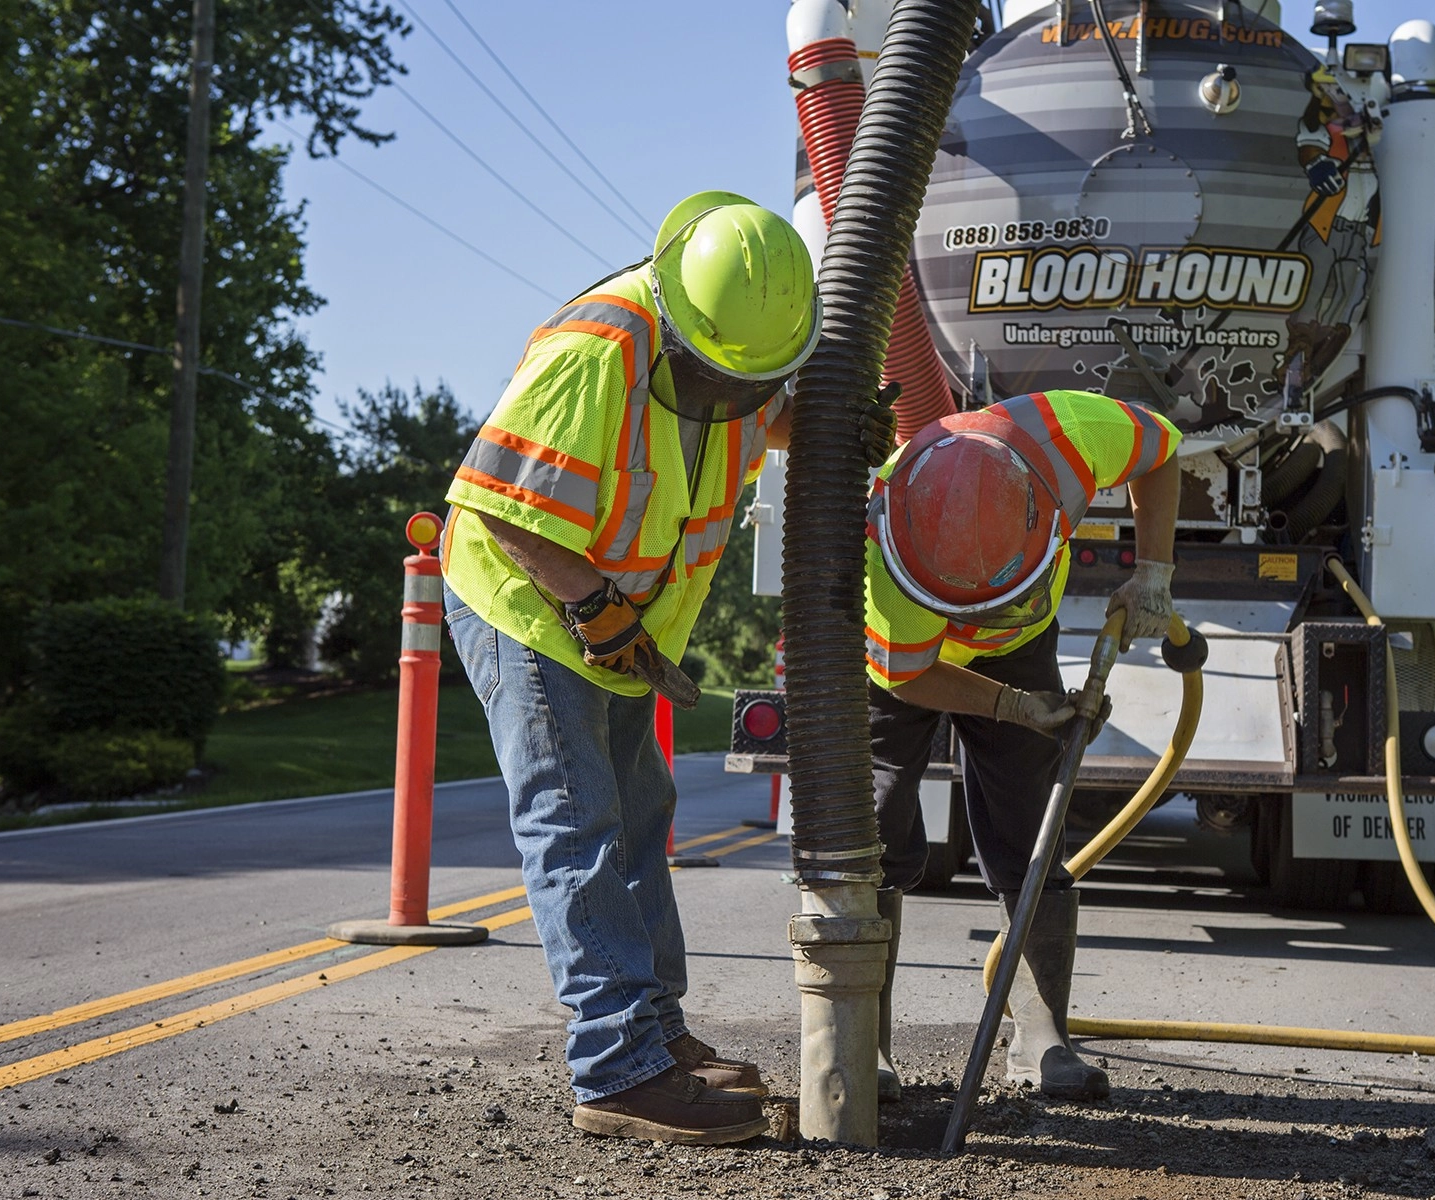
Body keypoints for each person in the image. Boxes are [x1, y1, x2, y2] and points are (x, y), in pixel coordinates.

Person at [439, 191, 892, 1145]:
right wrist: (594, 607)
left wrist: (825, 422)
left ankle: (653, 1035)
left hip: (617, 624)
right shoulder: (599, 346)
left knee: (641, 823)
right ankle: (615, 1068)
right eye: (720, 379)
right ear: (680, 324)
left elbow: (750, 414)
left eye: (753, 381)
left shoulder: (738, 345)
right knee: (578, 826)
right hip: (531, 605)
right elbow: (501, 504)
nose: (737, 401)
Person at [862, 389, 1183, 1101]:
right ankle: (862, 1040)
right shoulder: (884, 552)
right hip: (906, 659)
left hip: (1019, 643)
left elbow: (1161, 450)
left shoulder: (1069, 438)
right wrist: (1009, 706)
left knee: (1030, 822)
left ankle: (1041, 1037)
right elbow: (910, 675)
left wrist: (1154, 572)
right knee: (872, 825)